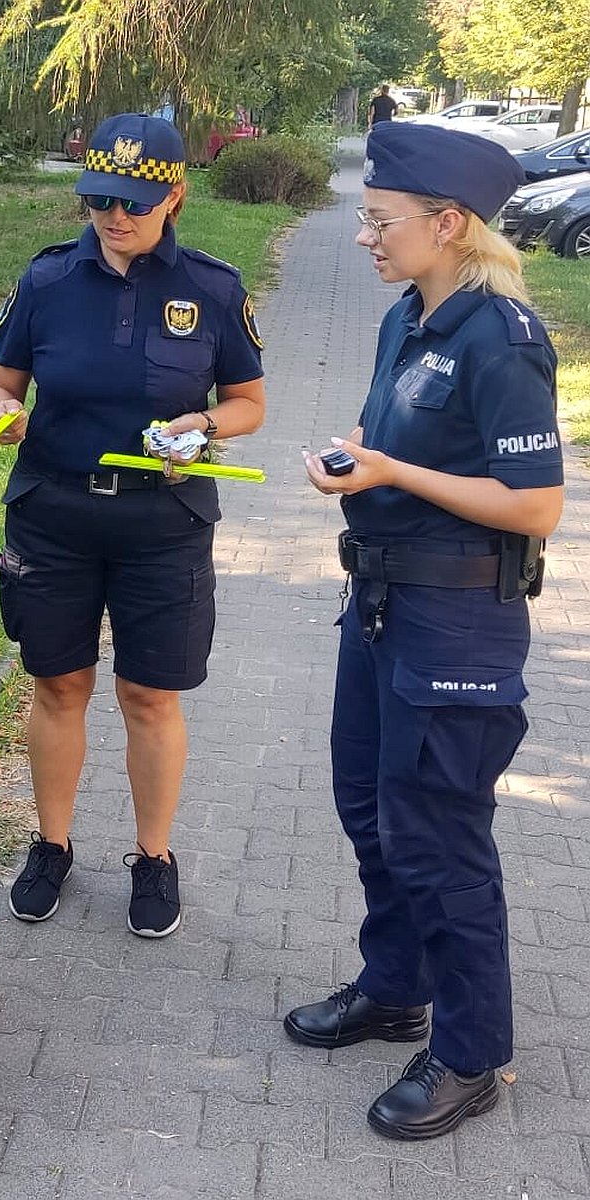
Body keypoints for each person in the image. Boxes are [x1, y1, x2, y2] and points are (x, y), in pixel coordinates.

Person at [286, 122, 564, 1140]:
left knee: (437, 836)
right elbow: (385, 432)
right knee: (366, 804)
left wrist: (393, 474)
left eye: (378, 220)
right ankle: (393, 984)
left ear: (446, 224)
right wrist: (352, 455)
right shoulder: (410, 315)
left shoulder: (499, 335)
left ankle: (466, 1053)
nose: (363, 235)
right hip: (380, 607)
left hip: (454, 628)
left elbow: (533, 505)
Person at [0, 113, 266, 936]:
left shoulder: (212, 287)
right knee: (59, 683)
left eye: (134, 201)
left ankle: (154, 858)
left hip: (162, 522)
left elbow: (247, 403)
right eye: (99, 197)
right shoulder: (48, 281)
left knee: (149, 695)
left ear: (174, 194)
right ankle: (52, 844)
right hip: (55, 516)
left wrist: (202, 429)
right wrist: (2, 414)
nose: (114, 215)